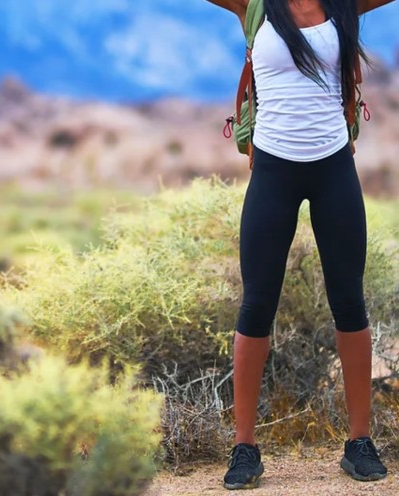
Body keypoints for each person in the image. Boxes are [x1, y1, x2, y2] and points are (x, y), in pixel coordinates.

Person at [204, 0, 396, 490]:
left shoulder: (343, 4)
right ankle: (244, 448)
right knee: (256, 305)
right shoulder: (255, 5)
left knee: (349, 302)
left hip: (334, 167)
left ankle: (358, 442)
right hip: (273, 170)